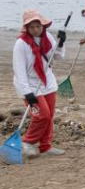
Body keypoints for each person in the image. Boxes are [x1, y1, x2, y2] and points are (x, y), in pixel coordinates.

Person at [12, 9, 68, 158]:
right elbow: (19, 70)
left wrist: (61, 42)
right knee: (41, 115)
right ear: (26, 28)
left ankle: (45, 146)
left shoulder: (48, 37)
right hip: (29, 84)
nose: (35, 30)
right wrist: (27, 92)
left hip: (47, 81)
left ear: (43, 25)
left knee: (49, 116)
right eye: (31, 27)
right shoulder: (21, 44)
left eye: (38, 26)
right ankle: (28, 142)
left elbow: (57, 57)